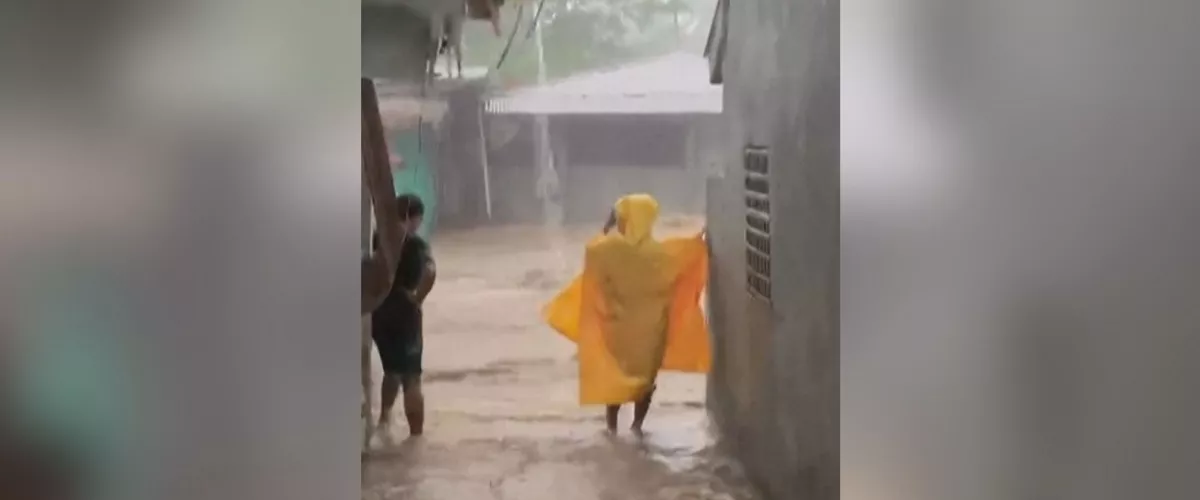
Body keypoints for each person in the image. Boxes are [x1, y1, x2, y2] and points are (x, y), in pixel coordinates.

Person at [544, 193, 710, 434]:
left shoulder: (610, 249)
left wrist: (607, 226)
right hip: (652, 332)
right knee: (645, 380)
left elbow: (593, 250)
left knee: (617, 377)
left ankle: (611, 429)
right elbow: (683, 258)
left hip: (618, 327)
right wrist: (699, 240)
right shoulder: (660, 255)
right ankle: (637, 427)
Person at [371, 194, 436, 440]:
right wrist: (418, 298)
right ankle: (415, 437)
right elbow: (430, 271)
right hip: (404, 310)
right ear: (415, 217)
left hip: (379, 310)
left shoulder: (376, 239)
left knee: (391, 370)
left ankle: (384, 421)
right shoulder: (416, 244)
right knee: (411, 377)